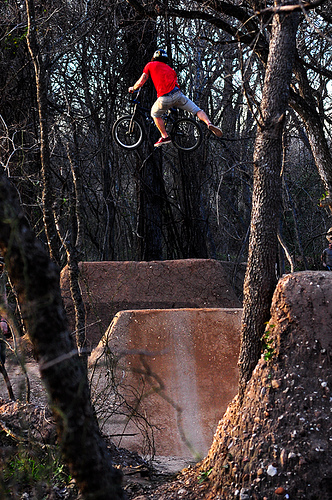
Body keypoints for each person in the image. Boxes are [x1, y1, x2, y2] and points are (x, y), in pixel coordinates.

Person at [128, 49, 223, 147]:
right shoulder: (171, 69)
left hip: (164, 98)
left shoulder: (150, 65)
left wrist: (133, 88)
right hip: (178, 94)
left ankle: (164, 136)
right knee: (197, 110)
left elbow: (141, 81)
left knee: (154, 114)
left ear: (154, 58)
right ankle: (209, 123)